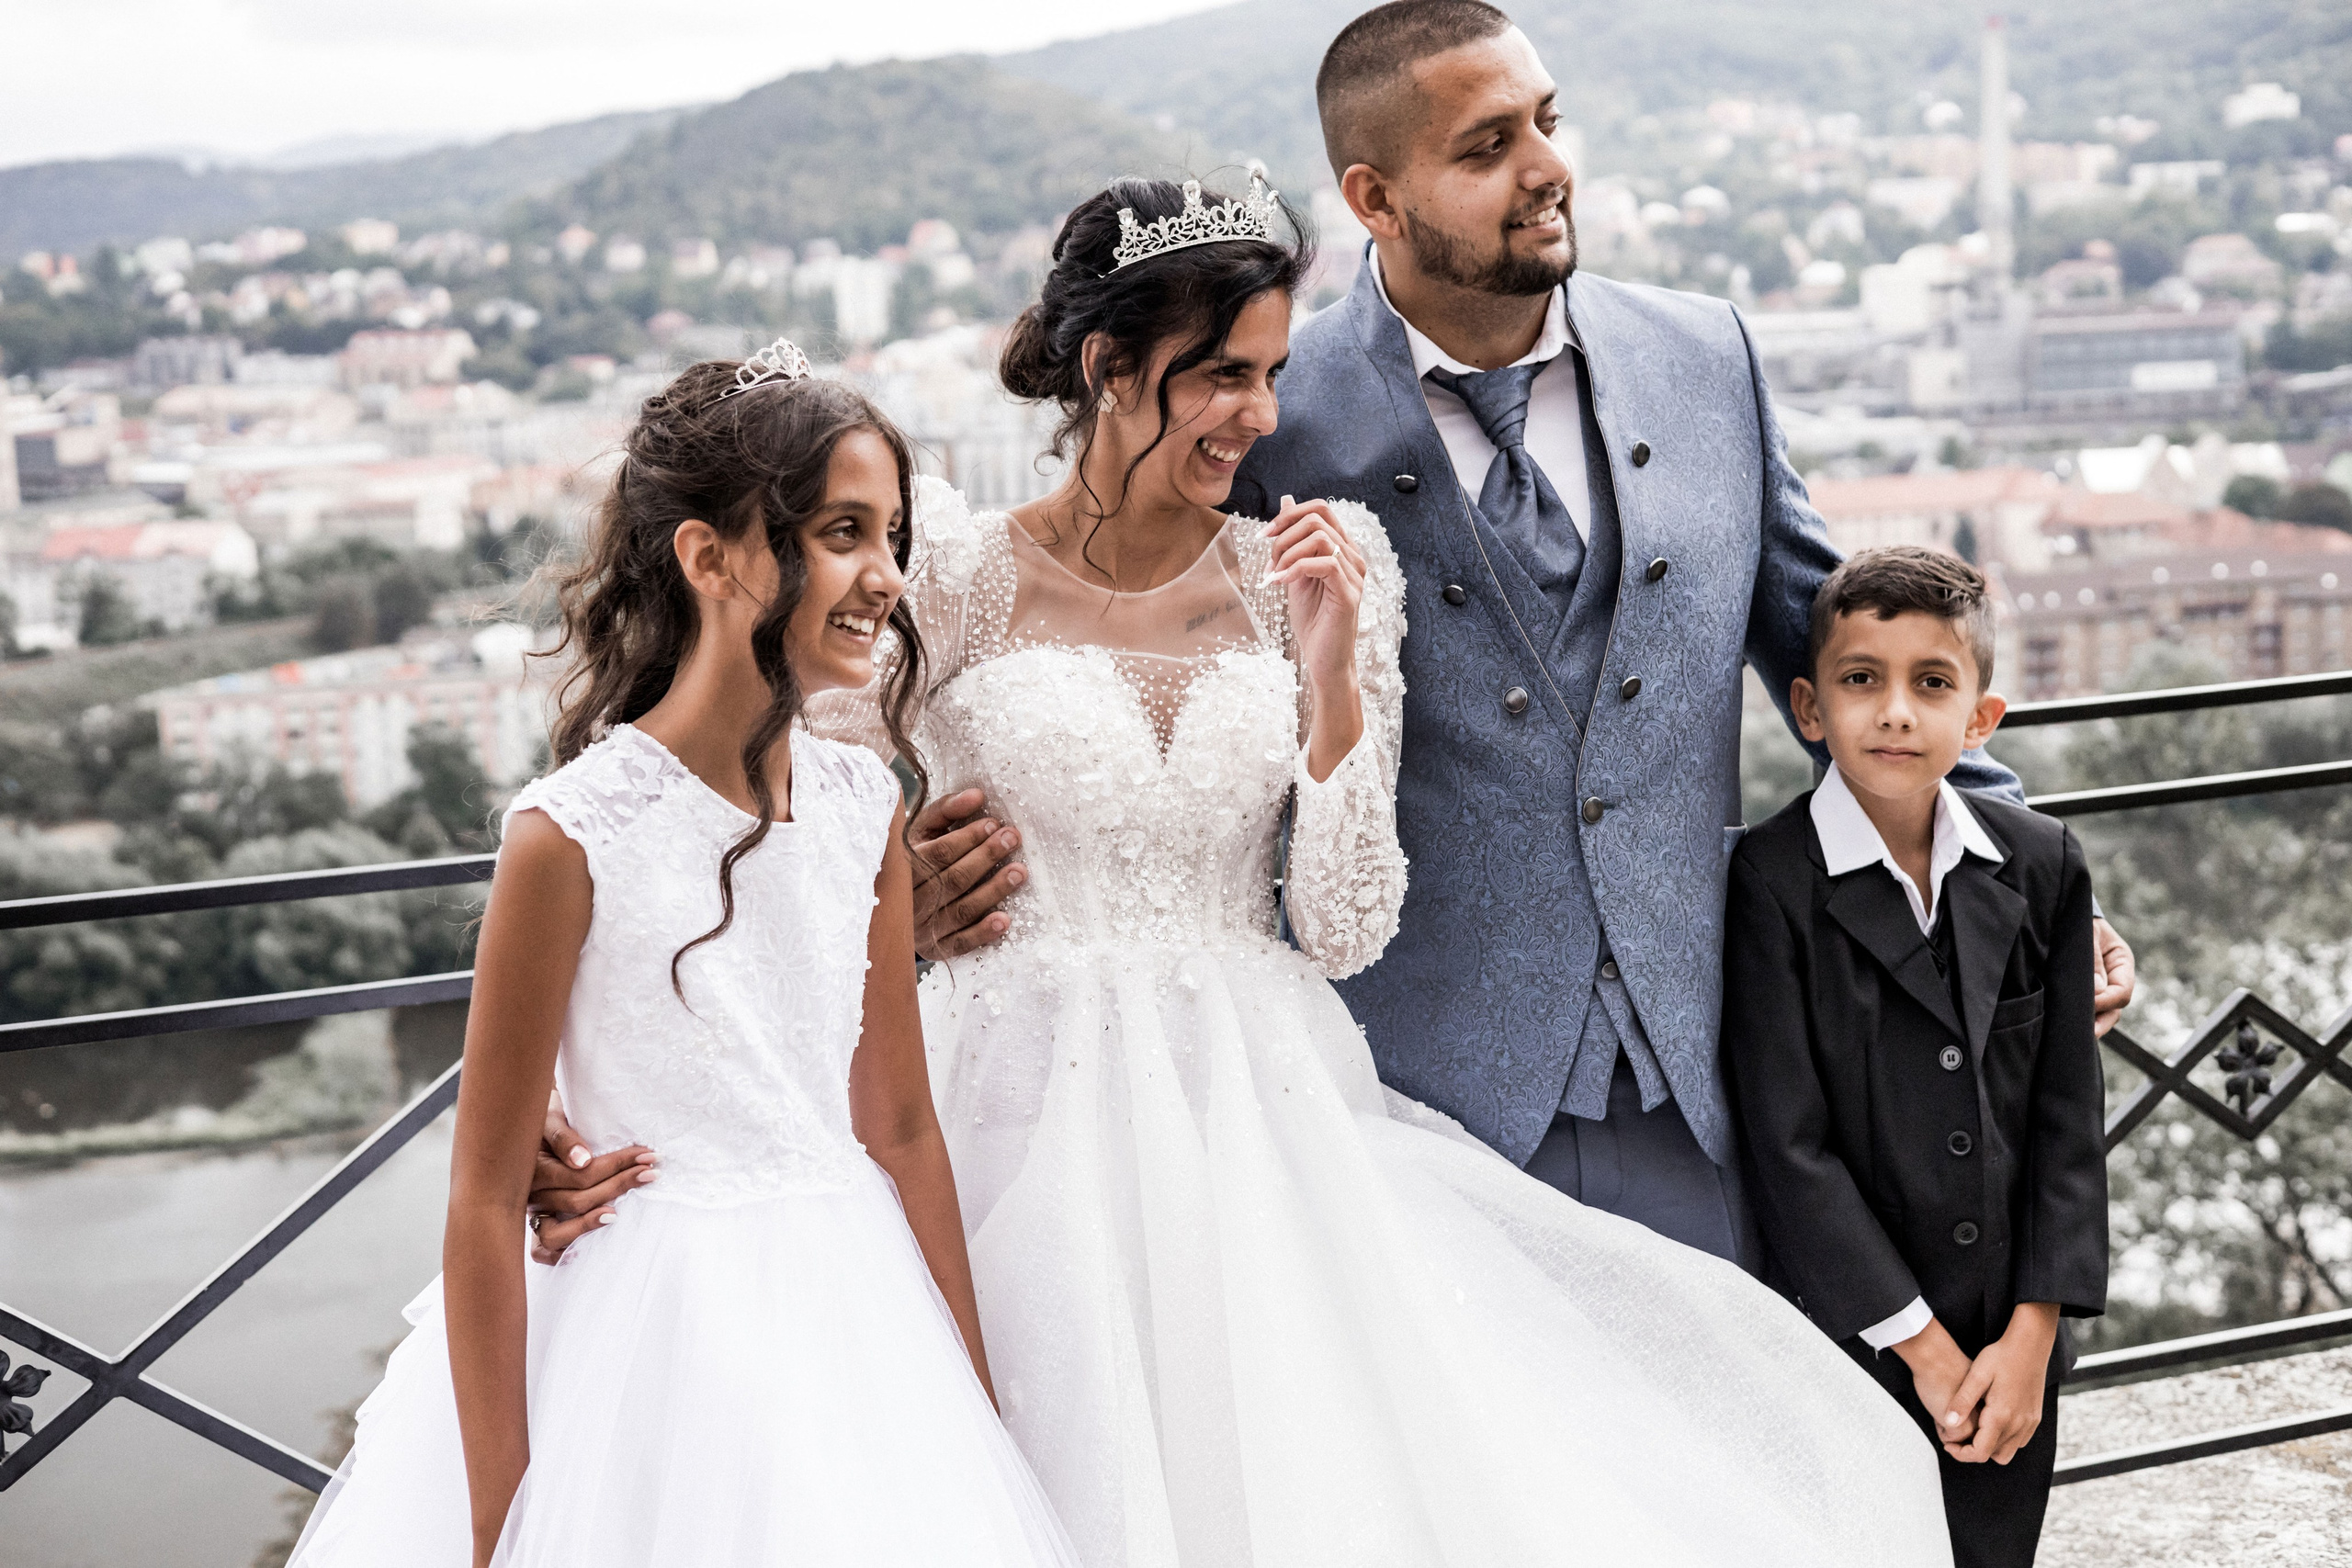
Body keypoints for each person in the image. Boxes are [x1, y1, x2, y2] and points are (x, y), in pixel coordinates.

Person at [821, 0, 2133, 1272]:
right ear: (1374, 199)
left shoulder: (1705, 356)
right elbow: (1100, 655)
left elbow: (1849, 658)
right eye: (1487, 146)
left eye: (1545, 122)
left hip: (1720, 1063)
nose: (1546, 168)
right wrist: (908, 901)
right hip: (1409, 1093)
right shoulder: (1277, 417)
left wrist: (2014, 887)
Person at [772, 174, 1947, 1566]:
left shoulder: (1314, 573)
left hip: (1254, 1105)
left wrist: (1332, 681)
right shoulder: (952, 574)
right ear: (1106, 369)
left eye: (1269, 373)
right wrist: (895, 892)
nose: (1259, 417)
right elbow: (795, 825)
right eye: (1219, 376)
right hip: (1007, 1103)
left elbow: (1339, 921)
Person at [287, 348, 1079, 1568]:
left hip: (854, 1315)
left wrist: (970, 1399)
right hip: (642, 1331)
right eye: (843, 532)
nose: (885, 575)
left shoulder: (865, 801)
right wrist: (507, 1520)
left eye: (893, 534)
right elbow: (485, 1197)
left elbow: (902, 1125)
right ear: (711, 558)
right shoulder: (571, 835)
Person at [1721, 547, 2109, 1568]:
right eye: (1861, 679)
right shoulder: (1766, 882)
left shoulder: (2043, 866)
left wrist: (2032, 1337)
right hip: (1853, 1339)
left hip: (2009, 1348)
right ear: (1808, 708)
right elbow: (1788, 1146)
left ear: (1980, 721)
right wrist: (1924, 1354)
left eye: (1931, 683)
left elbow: (2069, 1121)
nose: (1894, 711)